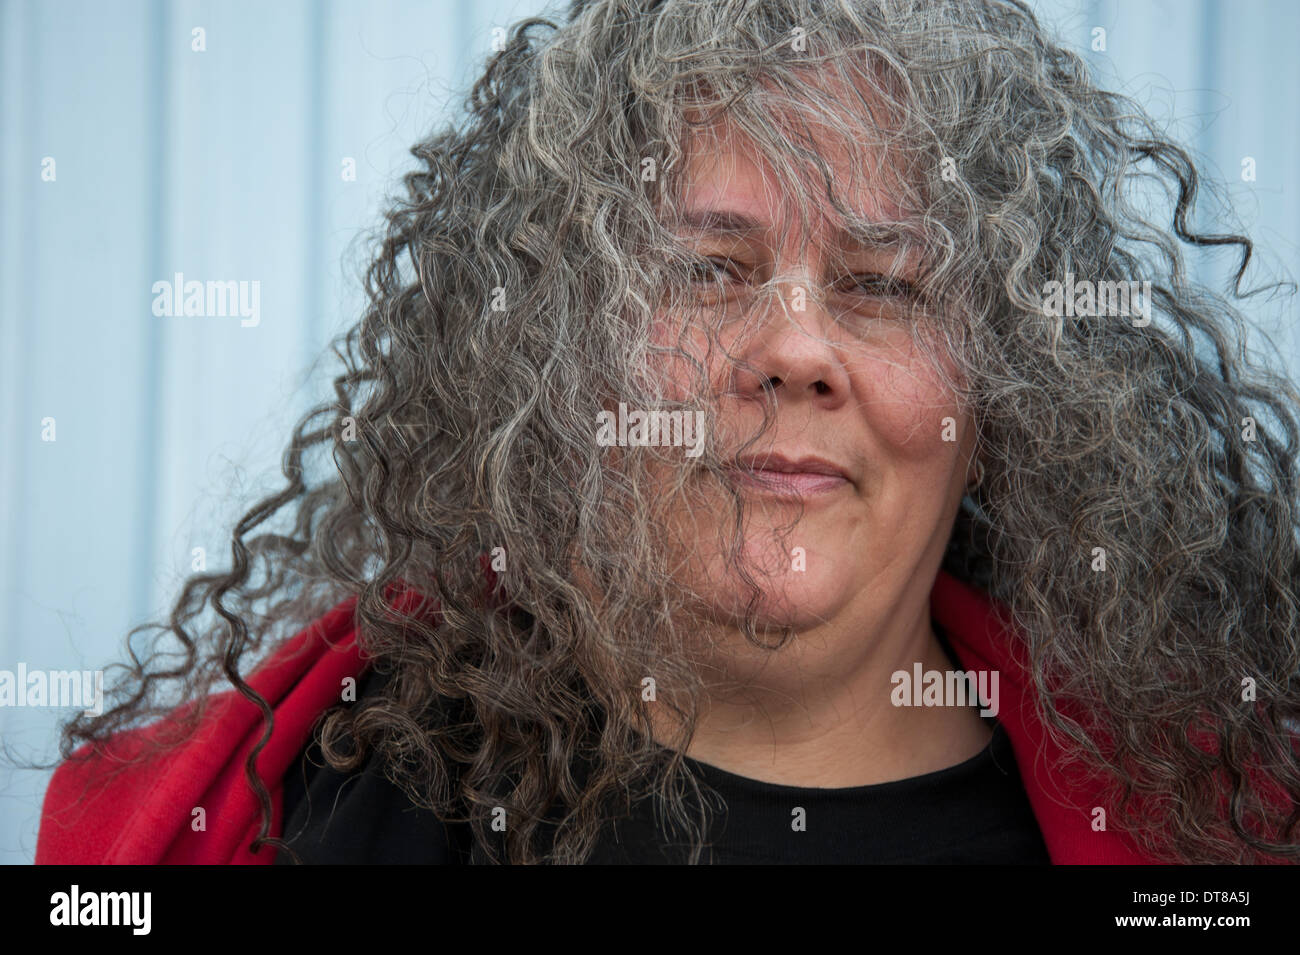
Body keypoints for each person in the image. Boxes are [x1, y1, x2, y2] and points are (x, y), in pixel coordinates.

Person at [37, 0, 1300, 865]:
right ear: (548, 349)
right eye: (704, 269)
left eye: (882, 283)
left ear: (1015, 386)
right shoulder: (286, 802)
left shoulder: (1215, 840)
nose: (795, 349)